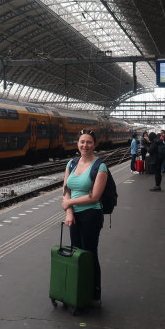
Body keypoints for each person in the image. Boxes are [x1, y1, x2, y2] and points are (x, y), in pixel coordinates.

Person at [62, 130, 107, 306]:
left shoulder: (100, 167)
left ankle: (94, 293)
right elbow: (66, 189)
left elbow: (94, 196)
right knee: (76, 253)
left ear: (94, 145)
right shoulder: (71, 163)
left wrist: (69, 203)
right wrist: (69, 211)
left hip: (91, 214)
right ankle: (77, 289)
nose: (85, 145)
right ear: (78, 143)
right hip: (74, 215)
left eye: (89, 142)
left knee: (89, 253)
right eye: (82, 142)